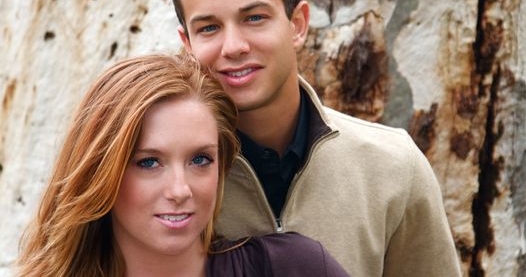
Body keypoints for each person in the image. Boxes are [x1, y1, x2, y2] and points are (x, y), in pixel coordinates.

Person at [170, 0, 462, 276]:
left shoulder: (394, 167)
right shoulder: (166, 181)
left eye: (254, 18)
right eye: (209, 28)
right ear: (187, 44)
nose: (233, 46)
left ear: (298, 25)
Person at [16, 54, 349, 276]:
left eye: (200, 159)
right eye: (149, 162)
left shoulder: (291, 267)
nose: (180, 190)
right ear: (101, 170)